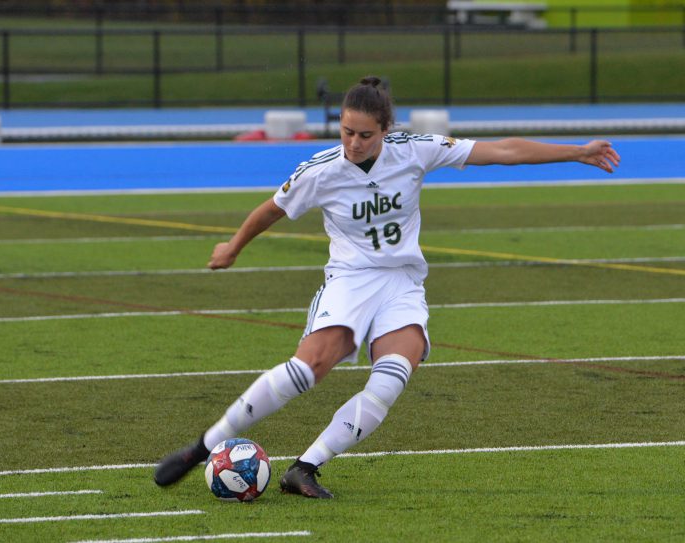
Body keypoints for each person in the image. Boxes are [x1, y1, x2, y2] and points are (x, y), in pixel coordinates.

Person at [154, 76, 621, 499]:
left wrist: (577, 150)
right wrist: (234, 246)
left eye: (365, 135)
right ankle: (203, 447)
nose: (353, 143)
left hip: (401, 282)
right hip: (350, 281)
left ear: (386, 131)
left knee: (394, 373)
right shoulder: (321, 170)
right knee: (309, 368)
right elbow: (271, 209)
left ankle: (305, 468)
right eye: (346, 132)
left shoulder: (416, 149)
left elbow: (502, 150)